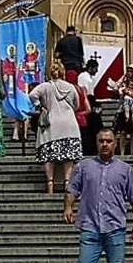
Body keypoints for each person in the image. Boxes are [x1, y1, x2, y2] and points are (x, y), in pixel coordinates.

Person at [65, 127, 133, 263]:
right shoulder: (84, 166)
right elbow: (72, 190)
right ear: (96, 143)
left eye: (108, 141)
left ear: (115, 144)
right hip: (90, 226)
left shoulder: (125, 170)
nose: (105, 144)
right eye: (101, 141)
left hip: (115, 227)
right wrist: (68, 207)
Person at [33, 62, 83, 193]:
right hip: (69, 123)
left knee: (49, 156)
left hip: (52, 124)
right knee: (68, 156)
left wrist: (41, 106)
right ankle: (67, 182)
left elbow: (32, 95)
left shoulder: (45, 86)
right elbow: (77, 105)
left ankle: (50, 183)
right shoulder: (71, 87)